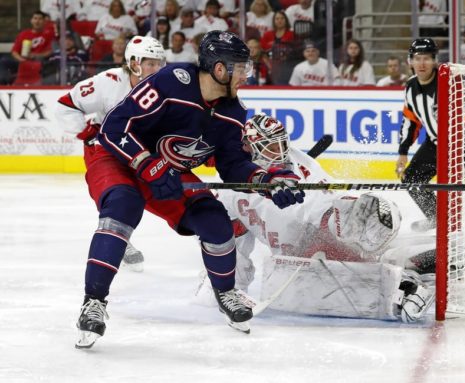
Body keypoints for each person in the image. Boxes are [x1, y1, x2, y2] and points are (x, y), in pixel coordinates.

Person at [73, 31, 305, 348]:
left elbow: (232, 165)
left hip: (166, 171)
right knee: (122, 207)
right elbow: (115, 125)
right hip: (117, 158)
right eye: (240, 68)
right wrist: (145, 162)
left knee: (215, 222)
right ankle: (94, 301)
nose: (245, 76)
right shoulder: (173, 81)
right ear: (220, 69)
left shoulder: (232, 111)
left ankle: (225, 292)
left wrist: (267, 182)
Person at [197, 113, 435, 322]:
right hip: (290, 259)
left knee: (353, 249)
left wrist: (346, 220)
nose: (280, 152)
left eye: (282, 144)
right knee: (314, 280)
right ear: (250, 148)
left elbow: (325, 209)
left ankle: (407, 283)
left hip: (318, 239)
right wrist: (229, 289)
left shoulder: (298, 167)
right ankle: (409, 272)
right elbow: (233, 243)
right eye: (271, 147)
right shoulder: (231, 188)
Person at [55, 36, 165, 280]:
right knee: (115, 194)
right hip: (105, 147)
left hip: (141, 148)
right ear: (134, 63)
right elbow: (66, 104)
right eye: (151, 63)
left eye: (160, 63)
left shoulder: (164, 86)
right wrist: (87, 132)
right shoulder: (109, 81)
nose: (157, 69)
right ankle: (118, 236)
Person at [396, 38, 439, 232]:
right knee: (412, 178)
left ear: (435, 61)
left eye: (427, 58)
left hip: (460, 143)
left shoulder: (447, 83)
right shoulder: (411, 86)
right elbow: (411, 120)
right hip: (436, 144)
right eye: (418, 58)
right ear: (410, 61)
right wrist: (403, 151)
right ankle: (437, 217)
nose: (422, 63)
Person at [0, 10, 54, 85]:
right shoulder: (24, 34)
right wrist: (22, 60)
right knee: (4, 61)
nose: (37, 21)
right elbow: (14, 52)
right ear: (31, 20)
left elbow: (51, 51)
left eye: (40, 19)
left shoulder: (49, 34)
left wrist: (36, 56)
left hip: (41, 63)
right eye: (35, 18)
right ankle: (4, 84)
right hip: (22, 61)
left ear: (44, 21)